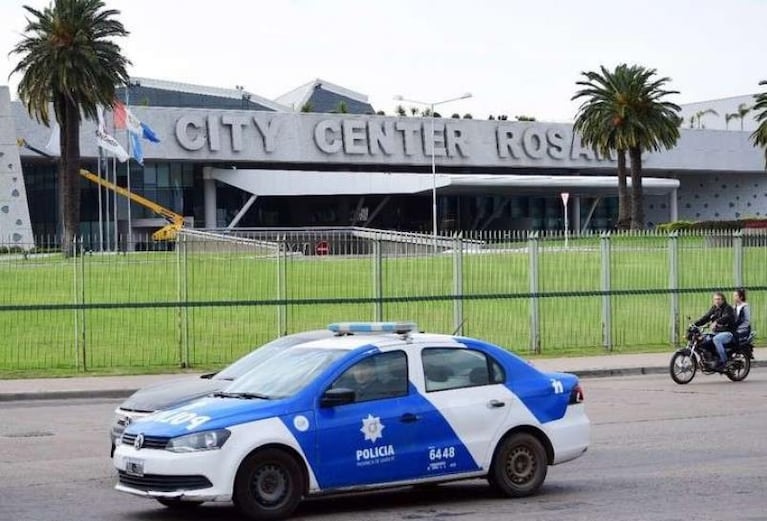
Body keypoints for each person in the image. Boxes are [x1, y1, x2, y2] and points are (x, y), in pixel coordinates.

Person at [694, 292, 735, 370]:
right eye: (715, 299)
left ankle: (724, 362)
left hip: (728, 333)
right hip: (716, 332)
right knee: (702, 340)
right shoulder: (714, 308)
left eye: (719, 299)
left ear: (723, 300)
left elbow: (727, 317)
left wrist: (717, 322)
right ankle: (710, 360)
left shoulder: (728, 308)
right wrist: (695, 324)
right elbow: (706, 317)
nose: (717, 301)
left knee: (716, 339)